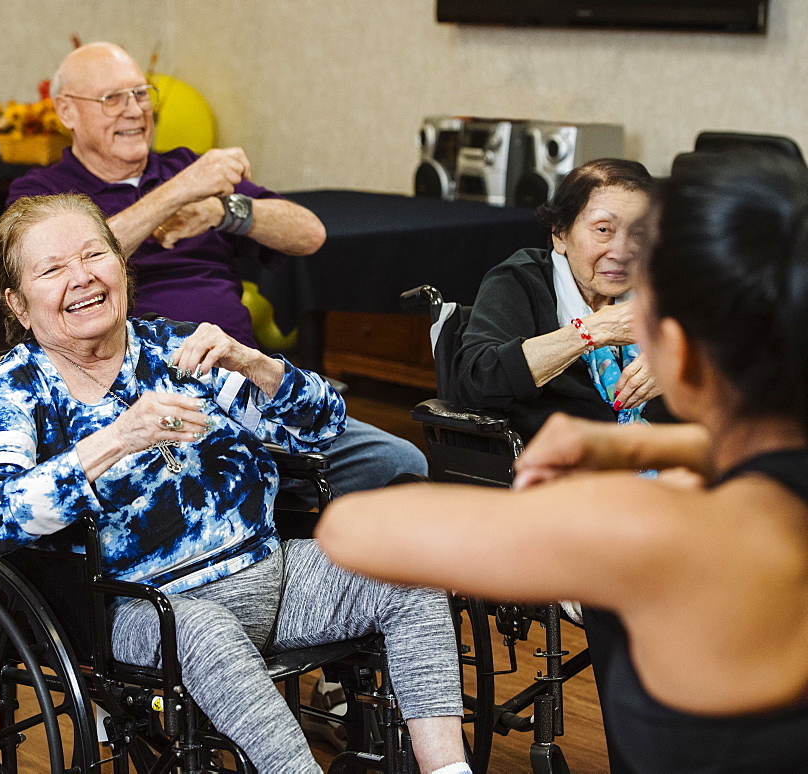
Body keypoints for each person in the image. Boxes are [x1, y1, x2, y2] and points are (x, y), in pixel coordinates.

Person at [317, 150, 808, 773]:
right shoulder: (521, 285)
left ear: (677, 355)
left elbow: (352, 532)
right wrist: (648, 442)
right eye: (603, 228)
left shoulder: (644, 533)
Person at [0, 193, 467, 773]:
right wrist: (119, 438)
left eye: (93, 254)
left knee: (409, 571)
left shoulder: (173, 349)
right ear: (20, 306)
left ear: (121, 267)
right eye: (52, 270)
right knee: (204, 633)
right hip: (145, 606)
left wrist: (255, 364)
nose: (81, 277)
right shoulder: (20, 388)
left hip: (271, 572)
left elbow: (322, 425)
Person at [6, 41, 429, 501]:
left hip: (242, 380)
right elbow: (82, 263)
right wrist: (180, 190)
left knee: (399, 462)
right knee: (218, 478)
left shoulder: (184, 166)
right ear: (66, 110)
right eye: (113, 99)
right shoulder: (43, 194)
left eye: (141, 94)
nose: (134, 111)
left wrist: (225, 210)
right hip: (144, 397)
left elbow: (309, 234)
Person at [452, 157, 666, 442]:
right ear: (560, 234)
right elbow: (479, 380)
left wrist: (672, 364)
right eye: (603, 230)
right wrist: (592, 331)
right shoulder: (519, 281)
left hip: (665, 460)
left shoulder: (662, 284)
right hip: (556, 468)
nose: (622, 251)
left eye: (639, 233)